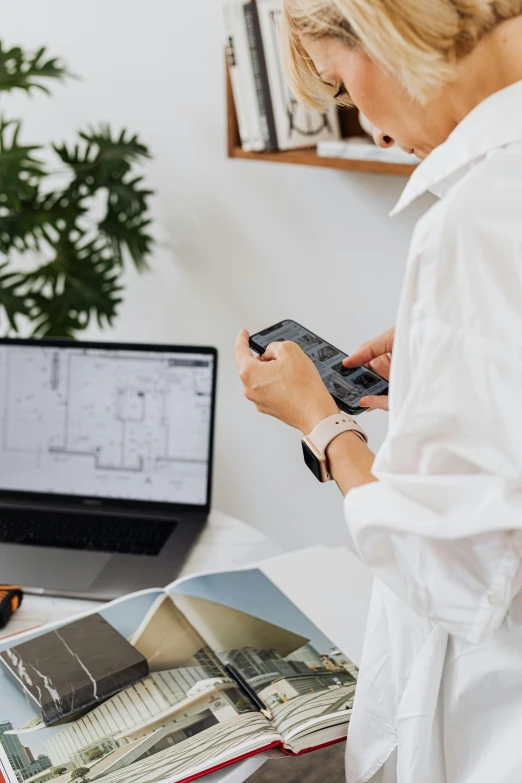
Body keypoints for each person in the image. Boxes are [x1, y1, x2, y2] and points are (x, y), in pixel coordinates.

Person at [233, 2, 522, 782]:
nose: (377, 129)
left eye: (341, 81)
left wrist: (323, 425)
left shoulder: (477, 221)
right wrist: (443, 378)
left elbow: (452, 570)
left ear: (384, 31)